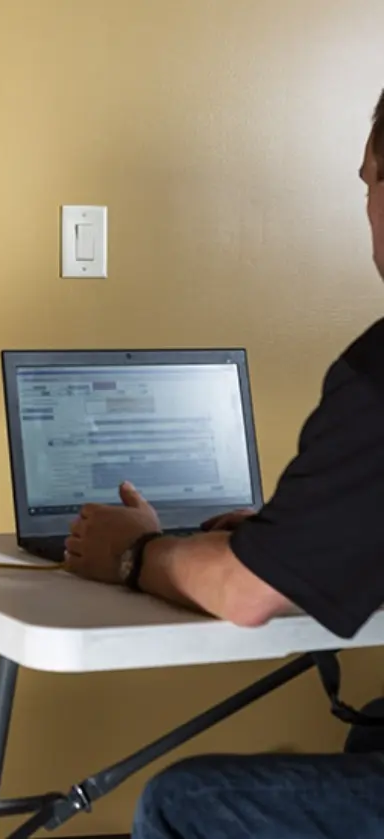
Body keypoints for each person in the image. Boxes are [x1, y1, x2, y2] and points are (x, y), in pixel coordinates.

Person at [61, 86, 384, 839]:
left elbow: (246, 596)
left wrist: (135, 552)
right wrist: (297, 541)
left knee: (182, 803)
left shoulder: (377, 380)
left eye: (368, 183)